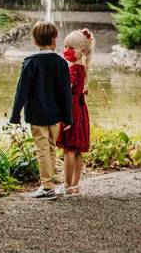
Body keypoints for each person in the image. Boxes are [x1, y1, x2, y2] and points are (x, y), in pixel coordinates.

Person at [9, 21, 73, 200]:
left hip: (37, 115)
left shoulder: (31, 62)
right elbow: (65, 93)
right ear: (54, 40)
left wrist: (15, 115)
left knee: (42, 149)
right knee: (51, 148)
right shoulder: (61, 63)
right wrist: (68, 117)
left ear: (35, 41)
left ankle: (47, 187)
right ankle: (50, 183)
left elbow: (22, 91)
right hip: (56, 116)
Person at [56, 28, 94, 196]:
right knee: (76, 150)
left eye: (70, 48)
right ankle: (75, 185)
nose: (66, 51)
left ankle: (66, 184)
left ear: (82, 51)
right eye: (65, 46)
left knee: (69, 150)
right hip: (80, 109)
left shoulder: (72, 69)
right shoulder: (82, 67)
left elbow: (68, 91)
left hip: (71, 110)